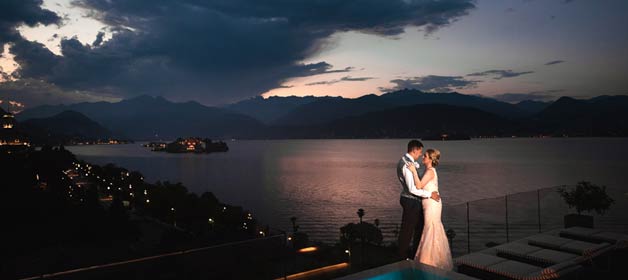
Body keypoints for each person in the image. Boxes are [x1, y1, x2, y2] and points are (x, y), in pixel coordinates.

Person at [407, 149, 453, 270]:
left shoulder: (430, 172)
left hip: (432, 205)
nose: (423, 157)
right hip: (430, 203)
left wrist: (413, 171)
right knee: (431, 229)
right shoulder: (429, 171)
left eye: (425, 156)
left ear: (431, 159)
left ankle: (429, 262)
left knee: (431, 229)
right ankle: (434, 260)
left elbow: (419, 186)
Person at [397, 140, 440, 259]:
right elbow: (413, 189)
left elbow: (416, 174)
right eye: (420, 152)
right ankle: (402, 258)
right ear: (414, 150)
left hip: (414, 201)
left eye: (424, 154)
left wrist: (415, 169)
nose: (421, 155)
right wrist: (429, 195)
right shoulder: (406, 165)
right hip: (411, 200)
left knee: (419, 228)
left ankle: (417, 255)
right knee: (408, 231)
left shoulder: (408, 162)